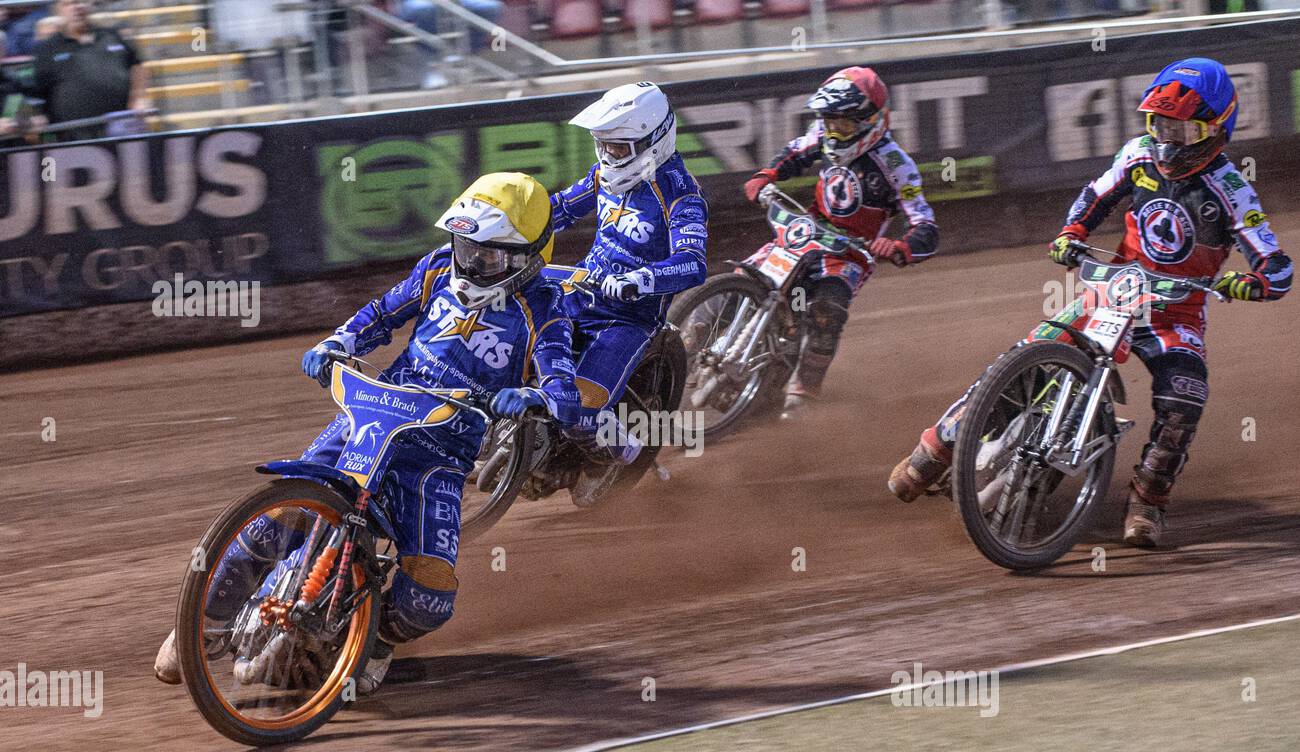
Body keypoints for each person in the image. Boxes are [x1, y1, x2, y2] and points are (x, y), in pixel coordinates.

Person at [155, 172, 581, 695]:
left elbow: (564, 385)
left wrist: (536, 397)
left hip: (438, 454)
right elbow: (382, 312)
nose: (469, 263)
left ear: (526, 258)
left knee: (429, 600)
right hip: (375, 413)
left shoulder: (546, 309)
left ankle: (374, 640)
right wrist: (338, 340)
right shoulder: (436, 270)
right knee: (280, 517)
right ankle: (198, 625)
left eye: (487, 256)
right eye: (464, 246)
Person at [888, 58, 1292, 548]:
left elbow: (1278, 265)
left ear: (1215, 130)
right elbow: (1093, 196)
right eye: (1159, 124)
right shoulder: (1139, 156)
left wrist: (1252, 282)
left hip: (1176, 313)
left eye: (1181, 129)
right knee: (1025, 356)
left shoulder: (1232, 190)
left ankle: (1147, 501)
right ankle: (935, 449)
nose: (1167, 139)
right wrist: (1070, 232)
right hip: (1113, 290)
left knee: (1185, 399)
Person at [742, 66, 939, 415]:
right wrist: (766, 175)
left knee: (825, 312)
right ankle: (700, 326)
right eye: (830, 122)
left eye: (844, 124)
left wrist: (900, 246)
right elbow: (794, 153)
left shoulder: (897, 164)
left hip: (849, 254)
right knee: (750, 275)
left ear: (872, 121)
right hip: (806, 231)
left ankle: (805, 390)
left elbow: (925, 223)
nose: (834, 131)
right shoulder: (823, 131)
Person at [548, 80, 709, 505]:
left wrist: (642, 279)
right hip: (579, 290)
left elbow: (693, 262)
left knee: (582, 407)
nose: (607, 156)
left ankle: (618, 457)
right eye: (603, 145)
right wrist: (506, 227)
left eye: (618, 148)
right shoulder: (603, 175)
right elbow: (561, 208)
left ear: (653, 141)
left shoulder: (680, 194)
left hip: (629, 319)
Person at [29, 0, 149, 131]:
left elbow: (136, 64)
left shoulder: (112, 35)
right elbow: (38, 92)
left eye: (82, 1)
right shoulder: (48, 48)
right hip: (75, 135)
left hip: (122, 127)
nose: (77, 8)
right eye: (69, 4)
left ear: (91, 4)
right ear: (58, 10)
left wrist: (139, 97)